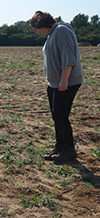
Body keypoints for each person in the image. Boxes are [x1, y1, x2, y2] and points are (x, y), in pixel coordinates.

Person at [30, 11, 83, 162]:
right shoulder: (52, 34)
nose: (36, 31)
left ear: (42, 25)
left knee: (60, 115)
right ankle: (60, 147)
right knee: (56, 116)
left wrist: (64, 80)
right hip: (55, 83)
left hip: (67, 82)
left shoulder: (61, 31)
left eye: (36, 28)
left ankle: (69, 150)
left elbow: (68, 58)